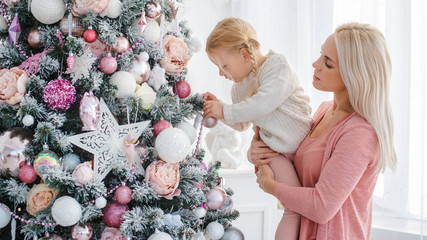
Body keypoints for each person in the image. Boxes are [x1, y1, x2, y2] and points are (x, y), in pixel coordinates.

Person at [250, 22, 398, 240]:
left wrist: (273, 187)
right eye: (321, 55)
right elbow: (296, 173)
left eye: (328, 64)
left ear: (353, 76)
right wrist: (259, 152)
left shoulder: (360, 133)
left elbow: (322, 207)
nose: (315, 64)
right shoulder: (324, 111)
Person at [202, 17, 313, 240]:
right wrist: (221, 110)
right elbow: (242, 123)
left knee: (301, 210)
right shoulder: (239, 88)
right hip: (275, 153)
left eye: (224, 66)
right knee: (293, 211)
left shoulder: (277, 67)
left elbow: (262, 104)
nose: (222, 74)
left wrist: (223, 110)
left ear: (244, 54)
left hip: (301, 148)